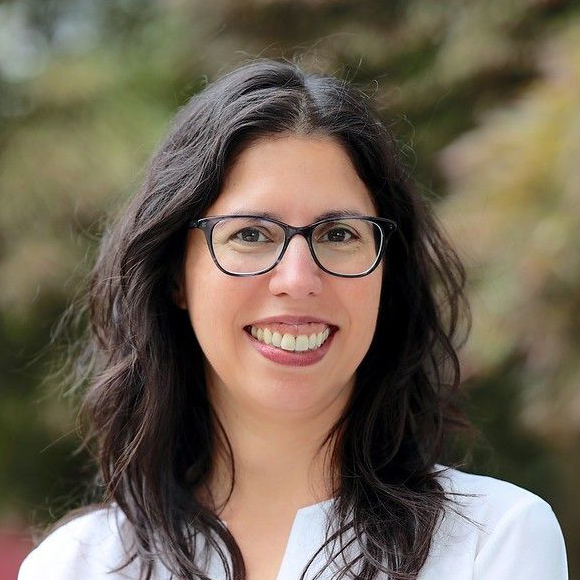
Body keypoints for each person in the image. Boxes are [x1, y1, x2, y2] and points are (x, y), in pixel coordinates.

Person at [18, 59, 568, 580]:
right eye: (251, 235)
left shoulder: (493, 541)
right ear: (176, 277)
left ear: (386, 277)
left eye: (339, 235)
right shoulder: (76, 565)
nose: (298, 278)